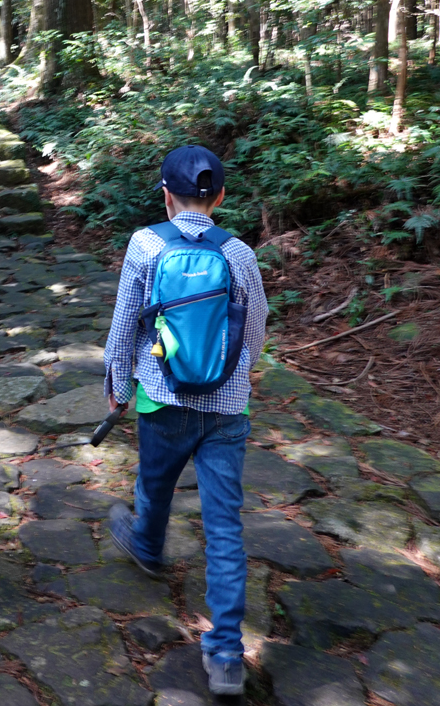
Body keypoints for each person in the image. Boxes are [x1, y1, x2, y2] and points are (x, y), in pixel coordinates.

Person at [103, 145, 268, 698]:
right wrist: (240, 374)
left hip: (163, 399)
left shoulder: (146, 243)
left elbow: (126, 320)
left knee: (155, 485)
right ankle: (225, 653)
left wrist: (118, 386)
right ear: (219, 197)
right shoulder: (240, 253)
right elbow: (257, 329)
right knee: (225, 526)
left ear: (166, 194)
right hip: (226, 409)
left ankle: (147, 546)